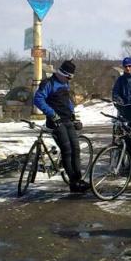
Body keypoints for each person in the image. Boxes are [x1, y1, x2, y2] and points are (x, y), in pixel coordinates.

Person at [33, 59, 89, 193]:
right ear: (61, 73)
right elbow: (38, 99)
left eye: (70, 77)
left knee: (76, 149)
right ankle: (73, 183)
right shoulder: (49, 83)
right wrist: (52, 114)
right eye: (68, 76)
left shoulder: (65, 84)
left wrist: (73, 116)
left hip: (67, 120)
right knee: (67, 150)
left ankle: (79, 179)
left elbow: (68, 101)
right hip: (55, 122)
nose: (69, 79)